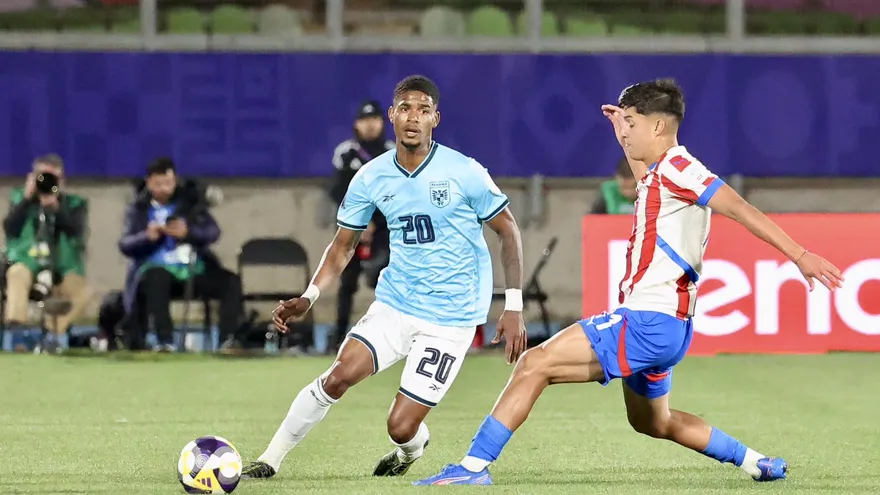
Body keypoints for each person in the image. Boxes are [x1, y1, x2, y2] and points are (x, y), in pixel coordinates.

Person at [416, 78, 844, 486]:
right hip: (668, 329)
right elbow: (644, 170)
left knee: (534, 364)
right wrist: (621, 129)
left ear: (658, 125)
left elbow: (739, 207)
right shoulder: (661, 172)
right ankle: (757, 463)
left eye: (634, 123)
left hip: (648, 320)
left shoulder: (681, 168)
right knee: (653, 422)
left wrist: (800, 255)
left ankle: (473, 466)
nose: (628, 135)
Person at [241, 75, 527, 479]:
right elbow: (342, 247)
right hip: (396, 304)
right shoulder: (371, 176)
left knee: (400, 427)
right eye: (406, 108)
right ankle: (269, 460)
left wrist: (513, 305)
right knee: (337, 376)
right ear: (393, 115)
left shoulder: (464, 172)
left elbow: (508, 230)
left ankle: (411, 450)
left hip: (450, 317)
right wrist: (308, 296)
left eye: (423, 110)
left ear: (435, 119)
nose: (413, 118)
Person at [118, 158, 244, 352]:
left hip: (192, 269)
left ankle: (228, 339)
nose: (164, 189)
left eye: (168, 183)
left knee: (231, 282)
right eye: (158, 184)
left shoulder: (189, 205)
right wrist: (146, 237)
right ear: (149, 182)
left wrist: (189, 233)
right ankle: (165, 341)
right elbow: (125, 244)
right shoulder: (139, 209)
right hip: (158, 270)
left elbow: (213, 232)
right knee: (155, 278)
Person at [3, 154, 92, 353]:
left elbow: (76, 232)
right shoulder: (20, 199)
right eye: (42, 177)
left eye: (53, 178)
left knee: (84, 294)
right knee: (16, 273)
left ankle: (53, 335)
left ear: (62, 181)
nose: (47, 183)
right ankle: (17, 335)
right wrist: (27, 200)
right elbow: (11, 228)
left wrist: (56, 209)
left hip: (62, 267)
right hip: (28, 264)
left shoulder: (75, 204)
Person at [328, 100, 394, 353]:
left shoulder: (392, 152)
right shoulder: (346, 152)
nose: (370, 125)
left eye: (374, 119)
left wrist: (376, 222)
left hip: (385, 229)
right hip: (352, 228)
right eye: (365, 120)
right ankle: (338, 338)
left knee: (386, 280)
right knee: (347, 282)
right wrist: (359, 221)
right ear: (357, 124)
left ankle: (390, 336)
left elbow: (395, 192)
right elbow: (339, 191)